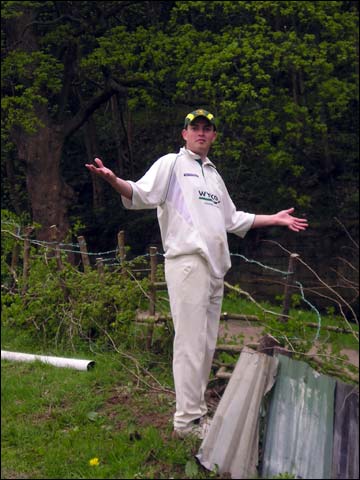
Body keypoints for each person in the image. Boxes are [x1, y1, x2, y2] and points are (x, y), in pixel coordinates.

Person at [85, 109, 308, 440]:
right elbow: (138, 192)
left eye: (207, 129)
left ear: (214, 136)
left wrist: (273, 218)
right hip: (187, 262)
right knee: (189, 343)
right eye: (195, 128)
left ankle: (197, 415)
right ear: (184, 134)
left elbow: (232, 219)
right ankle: (185, 422)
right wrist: (112, 180)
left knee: (205, 345)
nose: (201, 133)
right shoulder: (171, 165)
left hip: (216, 267)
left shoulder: (214, 176)